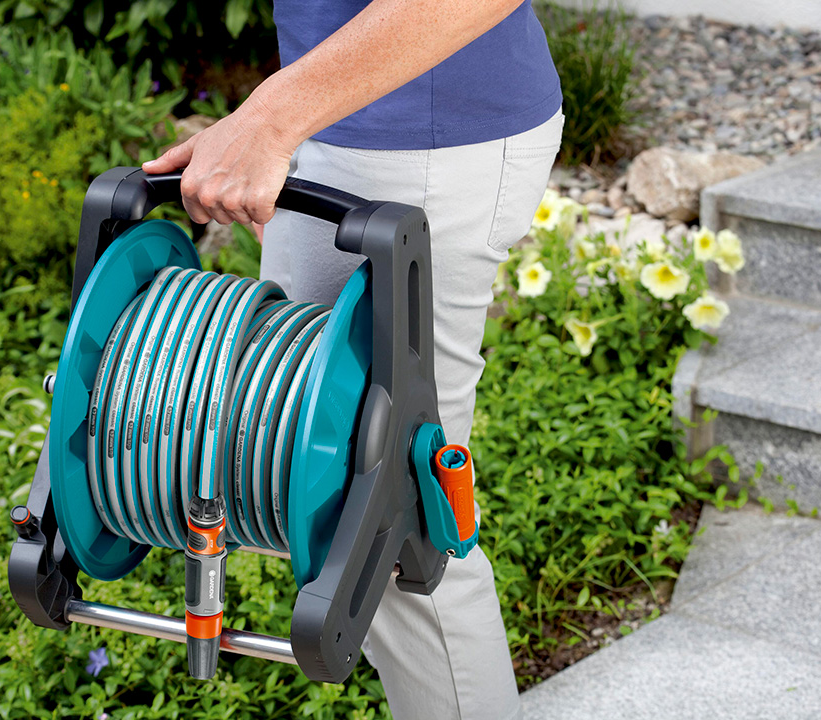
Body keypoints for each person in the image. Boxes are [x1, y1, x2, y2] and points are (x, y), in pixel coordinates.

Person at [142, 1, 562, 717]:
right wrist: (276, 118)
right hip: (337, 114)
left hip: (424, 142)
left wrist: (269, 116)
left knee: (394, 531)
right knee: (300, 477)